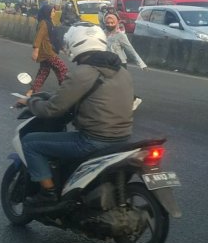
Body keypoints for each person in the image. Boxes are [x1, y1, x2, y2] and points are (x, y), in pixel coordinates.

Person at [20, 23, 134, 208]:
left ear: (75, 44)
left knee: (31, 143)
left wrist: (30, 102)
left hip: (93, 140)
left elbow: (52, 109)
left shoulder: (83, 72)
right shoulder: (122, 71)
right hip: (123, 138)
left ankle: (48, 194)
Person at [104, 11, 147, 110]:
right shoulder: (102, 33)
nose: (109, 25)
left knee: (120, 86)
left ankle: (134, 99)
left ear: (116, 23)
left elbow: (131, 50)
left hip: (119, 64)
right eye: (107, 23)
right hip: (106, 63)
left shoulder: (121, 36)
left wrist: (141, 63)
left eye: (112, 23)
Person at [27, 4, 69, 97]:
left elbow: (55, 38)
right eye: (52, 11)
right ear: (47, 12)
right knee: (62, 68)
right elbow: (39, 36)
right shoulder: (44, 23)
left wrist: (63, 48)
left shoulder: (49, 22)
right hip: (47, 52)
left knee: (44, 72)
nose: (54, 13)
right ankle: (65, 91)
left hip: (48, 51)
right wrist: (35, 50)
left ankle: (32, 91)